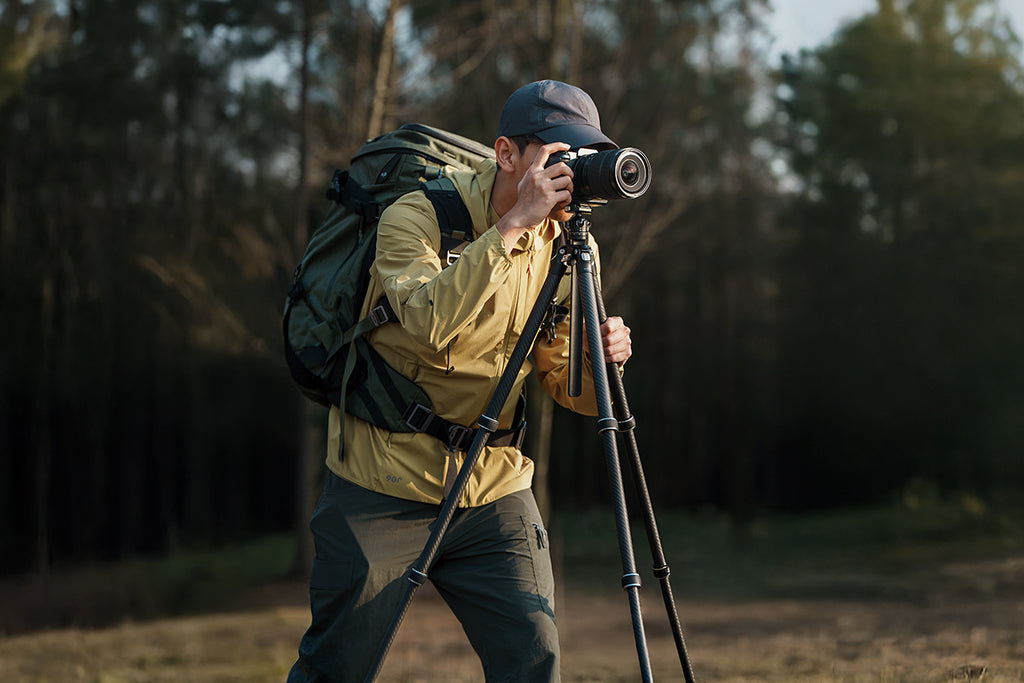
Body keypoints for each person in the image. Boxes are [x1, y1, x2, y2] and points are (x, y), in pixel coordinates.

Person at [288, 80, 633, 683]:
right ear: (507, 155)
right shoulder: (417, 216)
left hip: (493, 490)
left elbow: (568, 389)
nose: (571, 175)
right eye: (559, 156)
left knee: (533, 660)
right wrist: (513, 227)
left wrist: (604, 365)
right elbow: (426, 325)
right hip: (383, 484)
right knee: (335, 670)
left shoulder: (573, 246)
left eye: (582, 158)